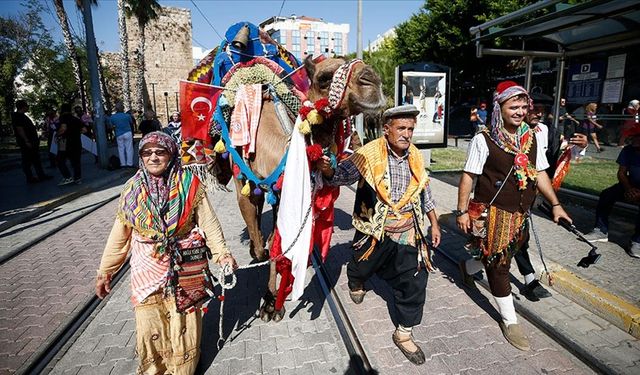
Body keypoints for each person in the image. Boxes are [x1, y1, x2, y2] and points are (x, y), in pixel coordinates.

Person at [95, 131, 238, 374]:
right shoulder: (131, 190)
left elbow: (208, 222)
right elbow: (119, 235)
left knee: (184, 320)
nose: (153, 157)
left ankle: (183, 368)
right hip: (146, 268)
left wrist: (222, 254)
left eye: (160, 152)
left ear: (171, 154)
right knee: (150, 323)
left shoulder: (190, 184)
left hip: (186, 265)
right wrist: (105, 271)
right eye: (146, 152)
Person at [319, 105, 441, 365]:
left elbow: (424, 191)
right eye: (401, 128)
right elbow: (339, 176)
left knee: (415, 280)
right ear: (386, 130)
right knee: (362, 266)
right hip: (374, 231)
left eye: (410, 129)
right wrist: (328, 169)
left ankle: (404, 332)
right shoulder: (368, 155)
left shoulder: (416, 156)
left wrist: (434, 222)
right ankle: (356, 280)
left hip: (409, 231)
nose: (407, 134)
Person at [456, 81, 571, 351]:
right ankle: (510, 320)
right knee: (499, 264)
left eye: (523, 106)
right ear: (499, 108)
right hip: (493, 212)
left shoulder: (532, 137)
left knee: (514, 246)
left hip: (521, 211)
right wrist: (462, 211)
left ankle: (469, 267)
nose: (519, 111)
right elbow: (468, 176)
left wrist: (555, 204)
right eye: (513, 106)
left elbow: (541, 172)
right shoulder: (483, 139)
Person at [514, 103, 588, 302]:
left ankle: (471, 265)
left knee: (514, 236)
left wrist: (580, 147)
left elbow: (556, 158)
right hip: (509, 192)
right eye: (533, 108)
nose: (538, 113)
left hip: (533, 190)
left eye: (542, 109)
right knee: (517, 236)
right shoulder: (508, 131)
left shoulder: (547, 131)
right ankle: (529, 279)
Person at [584, 123, 640, 257]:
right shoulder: (628, 150)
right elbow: (621, 173)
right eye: (634, 137)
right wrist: (629, 189)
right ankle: (601, 230)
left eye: (638, 137)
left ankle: (637, 241)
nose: (634, 140)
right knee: (607, 194)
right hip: (630, 184)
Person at [11, 100, 52, 184]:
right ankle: (30, 178)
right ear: (23, 107)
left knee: (36, 159)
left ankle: (41, 175)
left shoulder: (22, 116)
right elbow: (20, 130)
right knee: (27, 160)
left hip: (31, 141)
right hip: (27, 142)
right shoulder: (17, 117)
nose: (28, 107)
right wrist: (26, 140)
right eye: (27, 106)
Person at [56, 103, 84, 185]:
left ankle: (67, 177)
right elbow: (84, 130)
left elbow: (63, 128)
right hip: (77, 142)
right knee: (76, 162)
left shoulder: (63, 118)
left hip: (66, 144)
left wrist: (57, 134)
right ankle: (78, 178)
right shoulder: (76, 119)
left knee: (60, 160)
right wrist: (75, 133)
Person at [109, 102, 135, 168]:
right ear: (122, 108)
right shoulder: (127, 116)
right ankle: (129, 163)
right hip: (127, 132)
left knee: (121, 149)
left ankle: (123, 164)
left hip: (118, 133)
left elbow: (111, 126)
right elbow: (131, 122)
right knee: (129, 148)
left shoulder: (112, 117)